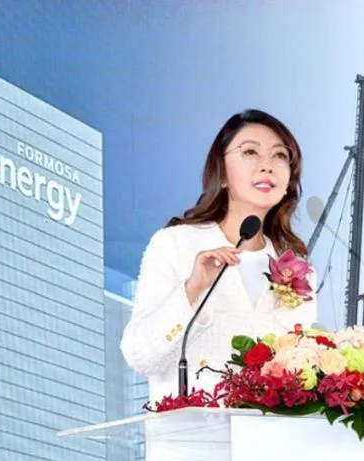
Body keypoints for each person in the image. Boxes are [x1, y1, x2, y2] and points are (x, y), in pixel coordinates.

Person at [120, 108, 318, 406]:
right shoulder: (175, 244)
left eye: (279, 155)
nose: (267, 166)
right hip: (193, 433)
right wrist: (192, 289)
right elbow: (139, 355)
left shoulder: (299, 271)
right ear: (222, 173)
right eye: (250, 152)